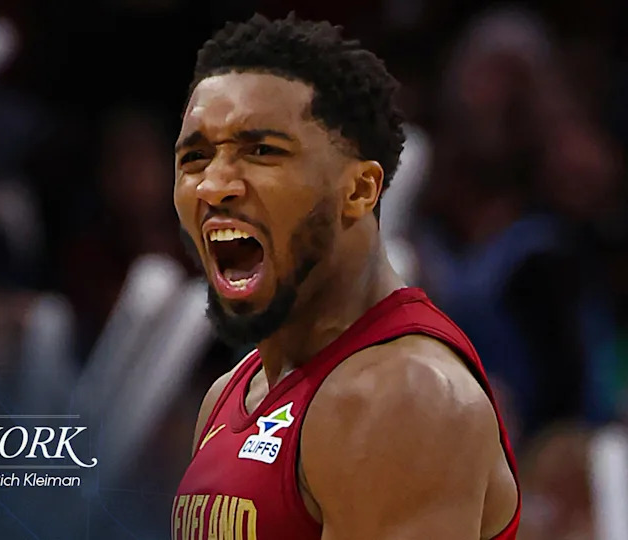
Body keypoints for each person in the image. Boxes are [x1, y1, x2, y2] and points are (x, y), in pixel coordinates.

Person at [171, 13, 519, 539]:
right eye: (195, 157)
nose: (213, 185)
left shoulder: (405, 398)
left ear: (358, 191)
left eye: (262, 151)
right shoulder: (230, 393)